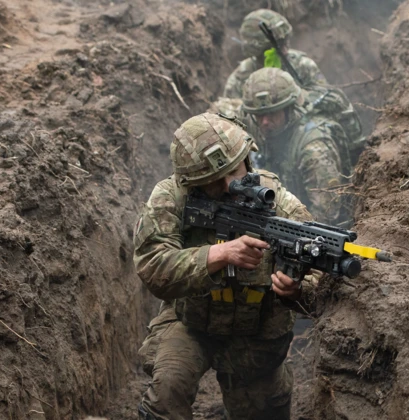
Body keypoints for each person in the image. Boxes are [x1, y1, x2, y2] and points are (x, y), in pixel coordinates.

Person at [133, 112, 317, 420]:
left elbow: (319, 282)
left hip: (255, 334)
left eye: (233, 172)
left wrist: (295, 290)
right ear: (192, 183)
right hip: (191, 321)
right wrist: (217, 255)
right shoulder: (172, 197)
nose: (229, 185)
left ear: (247, 159)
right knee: (166, 394)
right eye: (213, 183)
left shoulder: (280, 205)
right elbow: (152, 265)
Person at [241, 67, 353, 225]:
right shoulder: (265, 129)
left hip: (311, 224)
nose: (265, 122)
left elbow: (326, 214)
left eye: (272, 113)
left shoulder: (314, 148)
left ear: (288, 109)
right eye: (259, 115)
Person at [223, 9, 327, 99]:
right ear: (257, 50)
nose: (285, 51)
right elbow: (228, 114)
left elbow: (327, 98)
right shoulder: (241, 77)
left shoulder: (303, 66)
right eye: (277, 47)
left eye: (285, 42)